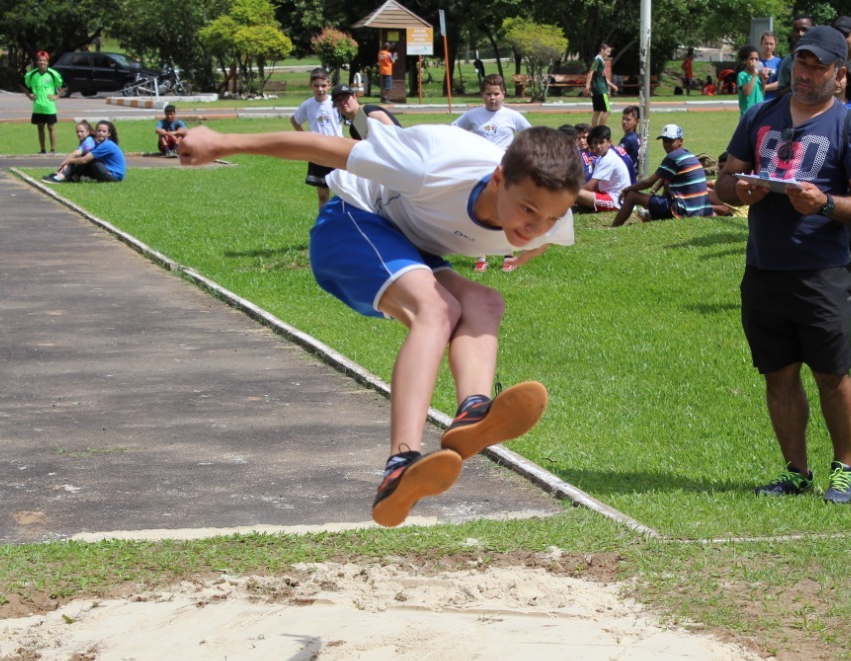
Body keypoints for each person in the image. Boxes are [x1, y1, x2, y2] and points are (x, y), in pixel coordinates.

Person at [174, 122, 583, 526]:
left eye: (550, 217)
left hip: (407, 245)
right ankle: (400, 463)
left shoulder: (552, 221)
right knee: (436, 310)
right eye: (528, 210)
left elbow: (547, 227)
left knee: (485, 301)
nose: (534, 227)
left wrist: (535, 243)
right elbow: (321, 146)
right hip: (351, 224)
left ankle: (473, 413)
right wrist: (223, 141)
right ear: (498, 178)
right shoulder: (429, 166)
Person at [715, 25, 851, 504]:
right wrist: (738, 189)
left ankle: (845, 468)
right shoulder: (761, 116)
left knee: (832, 374)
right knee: (778, 373)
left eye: (818, 66)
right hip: (764, 267)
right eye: (801, 63)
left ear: (839, 73)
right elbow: (725, 180)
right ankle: (795, 471)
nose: (806, 74)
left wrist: (826, 203)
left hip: (821, 271)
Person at [452, 72, 532, 271]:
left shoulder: (512, 116)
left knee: (506, 211)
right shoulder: (473, 116)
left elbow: (531, 135)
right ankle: (481, 256)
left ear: (503, 94)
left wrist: (515, 150)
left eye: (496, 93)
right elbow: (453, 130)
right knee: (480, 211)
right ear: (482, 95)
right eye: (488, 94)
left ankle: (508, 254)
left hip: (505, 172)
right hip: (481, 172)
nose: (492, 98)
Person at [611, 123, 713, 226]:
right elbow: (664, 177)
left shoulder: (673, 157)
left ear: (680, 141)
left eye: (670, 141)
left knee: (632, 196)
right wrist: (653, 192)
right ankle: (653, 215)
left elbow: (648, 182)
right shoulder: (688, 154)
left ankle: (614, 228)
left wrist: (626, 190)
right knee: (668, 185)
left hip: (683, 211)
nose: (666, 144)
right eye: (664, 141)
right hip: (698, 211)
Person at [291, 67, 344, 209]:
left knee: (343, 191)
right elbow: (295, 120)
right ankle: (324, 222)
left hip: (337, 150)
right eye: (316, 86)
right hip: (318, 153)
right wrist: (305, 139)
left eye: (323, 85)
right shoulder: (308, 105)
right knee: (322, 194)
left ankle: (344, 221)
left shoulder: (337, 102)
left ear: (329, 85)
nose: (320, 89)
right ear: (311, 86)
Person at [45, 120, 125, 183]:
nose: (101, 133)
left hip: (114, 177)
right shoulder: (99, 143)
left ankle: (62, 177)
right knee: (86, 156)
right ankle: (69, 176)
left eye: (104, 131)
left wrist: (68, 161)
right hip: (107, 172)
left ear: (109, 133)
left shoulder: (107, 145)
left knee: (86, 156)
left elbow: (84, 160)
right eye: (99, 131)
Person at [574, 124, 632, 212]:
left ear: (609, 142)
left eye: (601, 142)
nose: (598, 146)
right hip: (610, 195)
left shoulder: (607, 159)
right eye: (595, 143)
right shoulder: (603, 157)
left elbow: (591, 186)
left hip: (616, 201)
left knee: (577, 194)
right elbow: (595, 187)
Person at [24, 51, 66, 154]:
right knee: (40, 127)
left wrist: (57, 95)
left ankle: (53, 149)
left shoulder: (52, 73)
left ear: (47, 62)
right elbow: (22, 84)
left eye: (44, 60)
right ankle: (42, 149)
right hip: (38, 106)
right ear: (36, 62)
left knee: (51, 127)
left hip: (49, 106)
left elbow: (64, 85)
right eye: (40, 60)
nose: (42, 62)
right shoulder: (32, 74)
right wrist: (29, 96)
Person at [332, 83, 399, 140]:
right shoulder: (353, 130)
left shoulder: (370, 112)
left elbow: (395, 135)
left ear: (354, 97)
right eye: (338, 100)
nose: (343, 102)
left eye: (345, 97)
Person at [775, 16, 813, 99]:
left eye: (804, 29)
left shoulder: (825, 57)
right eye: (796, 30)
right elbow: (779, 92)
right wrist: (797, 86)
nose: (800, 34)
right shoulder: (788, 61)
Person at [584, 43, 618, 128]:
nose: (609, 54)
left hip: (597, 89)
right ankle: (600, 130)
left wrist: (612, 85)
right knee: (607, 110)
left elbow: (603, 77)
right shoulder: (597, 60)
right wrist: (587, 86)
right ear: (602, 49)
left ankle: (593, 131)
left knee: (597, 111)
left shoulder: (601, 61)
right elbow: (590, 72)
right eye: (607, 51)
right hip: (600, 89)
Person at [735, 44, 765, 115]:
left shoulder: (757, 76)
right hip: (748, 113)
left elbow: (762, 95)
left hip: (759, 111)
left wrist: (764, 81)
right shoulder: (742, 75)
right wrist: (754, 75)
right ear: (745, 61)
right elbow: (747, 92)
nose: (754, 61)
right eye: (751, 59)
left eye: (756, 59)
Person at [619, 105, 640, 181]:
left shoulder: (628, 139)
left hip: (627, 177)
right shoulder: (636, 136)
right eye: (623, 118)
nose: (624, 122)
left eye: (628, 119)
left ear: (636, 121)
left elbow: (615, 157)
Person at [761, 31, 783, 97]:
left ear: (775, 45)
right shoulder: (756, 61)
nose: (768, 47)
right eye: (766, 43)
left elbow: (780, 83)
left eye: (771, 44)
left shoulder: (779, 62)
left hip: (773, 100)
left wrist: (763, 88)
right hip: (758, 100)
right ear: (761, 44)